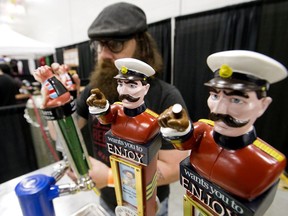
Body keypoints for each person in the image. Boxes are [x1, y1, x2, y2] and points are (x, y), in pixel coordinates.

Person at [76, 2, 188, 215]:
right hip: (108, 201)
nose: (104, 55)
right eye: (99, 45)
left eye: (115, 45)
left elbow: (175, 168)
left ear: (142, 45)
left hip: (149, 204)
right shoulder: (93, 91)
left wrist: (110, 177)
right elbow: (66, 131)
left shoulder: (166, 96)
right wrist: (56, 105)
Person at [158, 50, 287, 202]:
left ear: (263, 106)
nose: (218, 109)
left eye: (236, 100)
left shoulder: (268, 163)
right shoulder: (203, 130)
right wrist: (178, 129)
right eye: (215, 96)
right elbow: (183, 144)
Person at [87, 58, 162, 215]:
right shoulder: (115, 110)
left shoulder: (152, 122)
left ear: (146, 88)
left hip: (144, 186)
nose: (124, 92)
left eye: (132, 85)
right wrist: (101, 107)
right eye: (120, 84)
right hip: (121, 186)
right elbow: (105, 115)